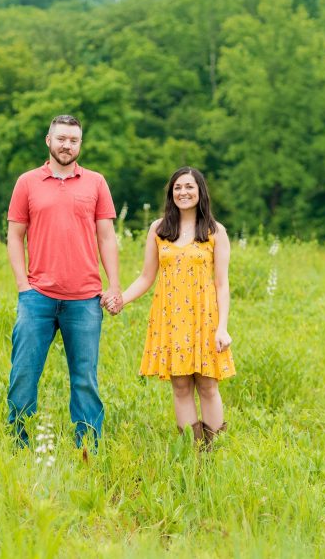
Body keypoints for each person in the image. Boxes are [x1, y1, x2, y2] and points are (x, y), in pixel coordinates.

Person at [5, 114, 121, 449]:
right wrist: (22, 286)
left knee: (85, 380)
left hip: (85, 299)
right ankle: (18, 443)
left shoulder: (96, 183)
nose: (66, 145)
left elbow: (107, 238)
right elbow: (14, 237)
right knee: (23, 374)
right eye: (61, 139)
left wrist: (113, 286)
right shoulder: (27, 182)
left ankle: (88, 447)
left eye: (73, 140)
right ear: (48, 140)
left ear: (79, 144)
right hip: (37, 296)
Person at [105, 166, 234, 447]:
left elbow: (222, 284)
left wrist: (222, 328)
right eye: (178, 187)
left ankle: (214, 452)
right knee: (180, 385)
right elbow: (146, 277)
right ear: (171, 193)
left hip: (205, 318)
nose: (183, 192)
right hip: (171, 318)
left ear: (200, 192)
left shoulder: (215, 231)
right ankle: (193, 450)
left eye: (189, 187)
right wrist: (121, 299)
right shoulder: (159, 229)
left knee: (208, 384)